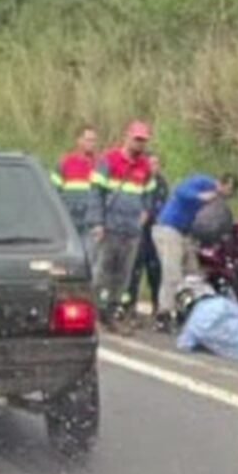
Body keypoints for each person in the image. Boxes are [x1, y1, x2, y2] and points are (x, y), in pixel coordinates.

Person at [86, 120, 156, 333]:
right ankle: (93, 311)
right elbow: (95, 193)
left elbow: (149, 193)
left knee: (122, 276)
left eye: (143, 141)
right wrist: (97, 222)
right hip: (109, 228)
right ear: (127, 137)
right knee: (101, 273)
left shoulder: (145, 166)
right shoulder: (109, 160)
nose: (140, 144)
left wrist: (145, 212)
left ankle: (112, 314)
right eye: (137, 139)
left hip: (131, 230)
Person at [152, 171, 238, 333]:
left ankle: (187, 311)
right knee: (173, 273)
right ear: (225, 184)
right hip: (168, 228)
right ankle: (163, 315)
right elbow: (180, 191)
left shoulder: (217, 200)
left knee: (193, 273)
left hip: (185, 233)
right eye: (230, 192)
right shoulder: (202, 183)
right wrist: (199, 196)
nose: (229, 196)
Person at [126, 151, 167, 319]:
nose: (153, 167)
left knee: (155, 271)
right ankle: (129, 306)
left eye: (156, 164)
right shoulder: (137, 181)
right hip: (137, 231)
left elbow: (162, 207)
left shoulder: (162, 184)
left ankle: (157, 306)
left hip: (155, 232)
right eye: (150, 163)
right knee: (134, 270)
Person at [50, 124, 99, 251]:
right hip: (69, 220)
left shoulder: (100, 164)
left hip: (90, 221)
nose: (92, 144)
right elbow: (53, 192)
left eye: (94, 140)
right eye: (88, 140)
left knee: (90, 257)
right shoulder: (65, 162)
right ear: (79, 141)